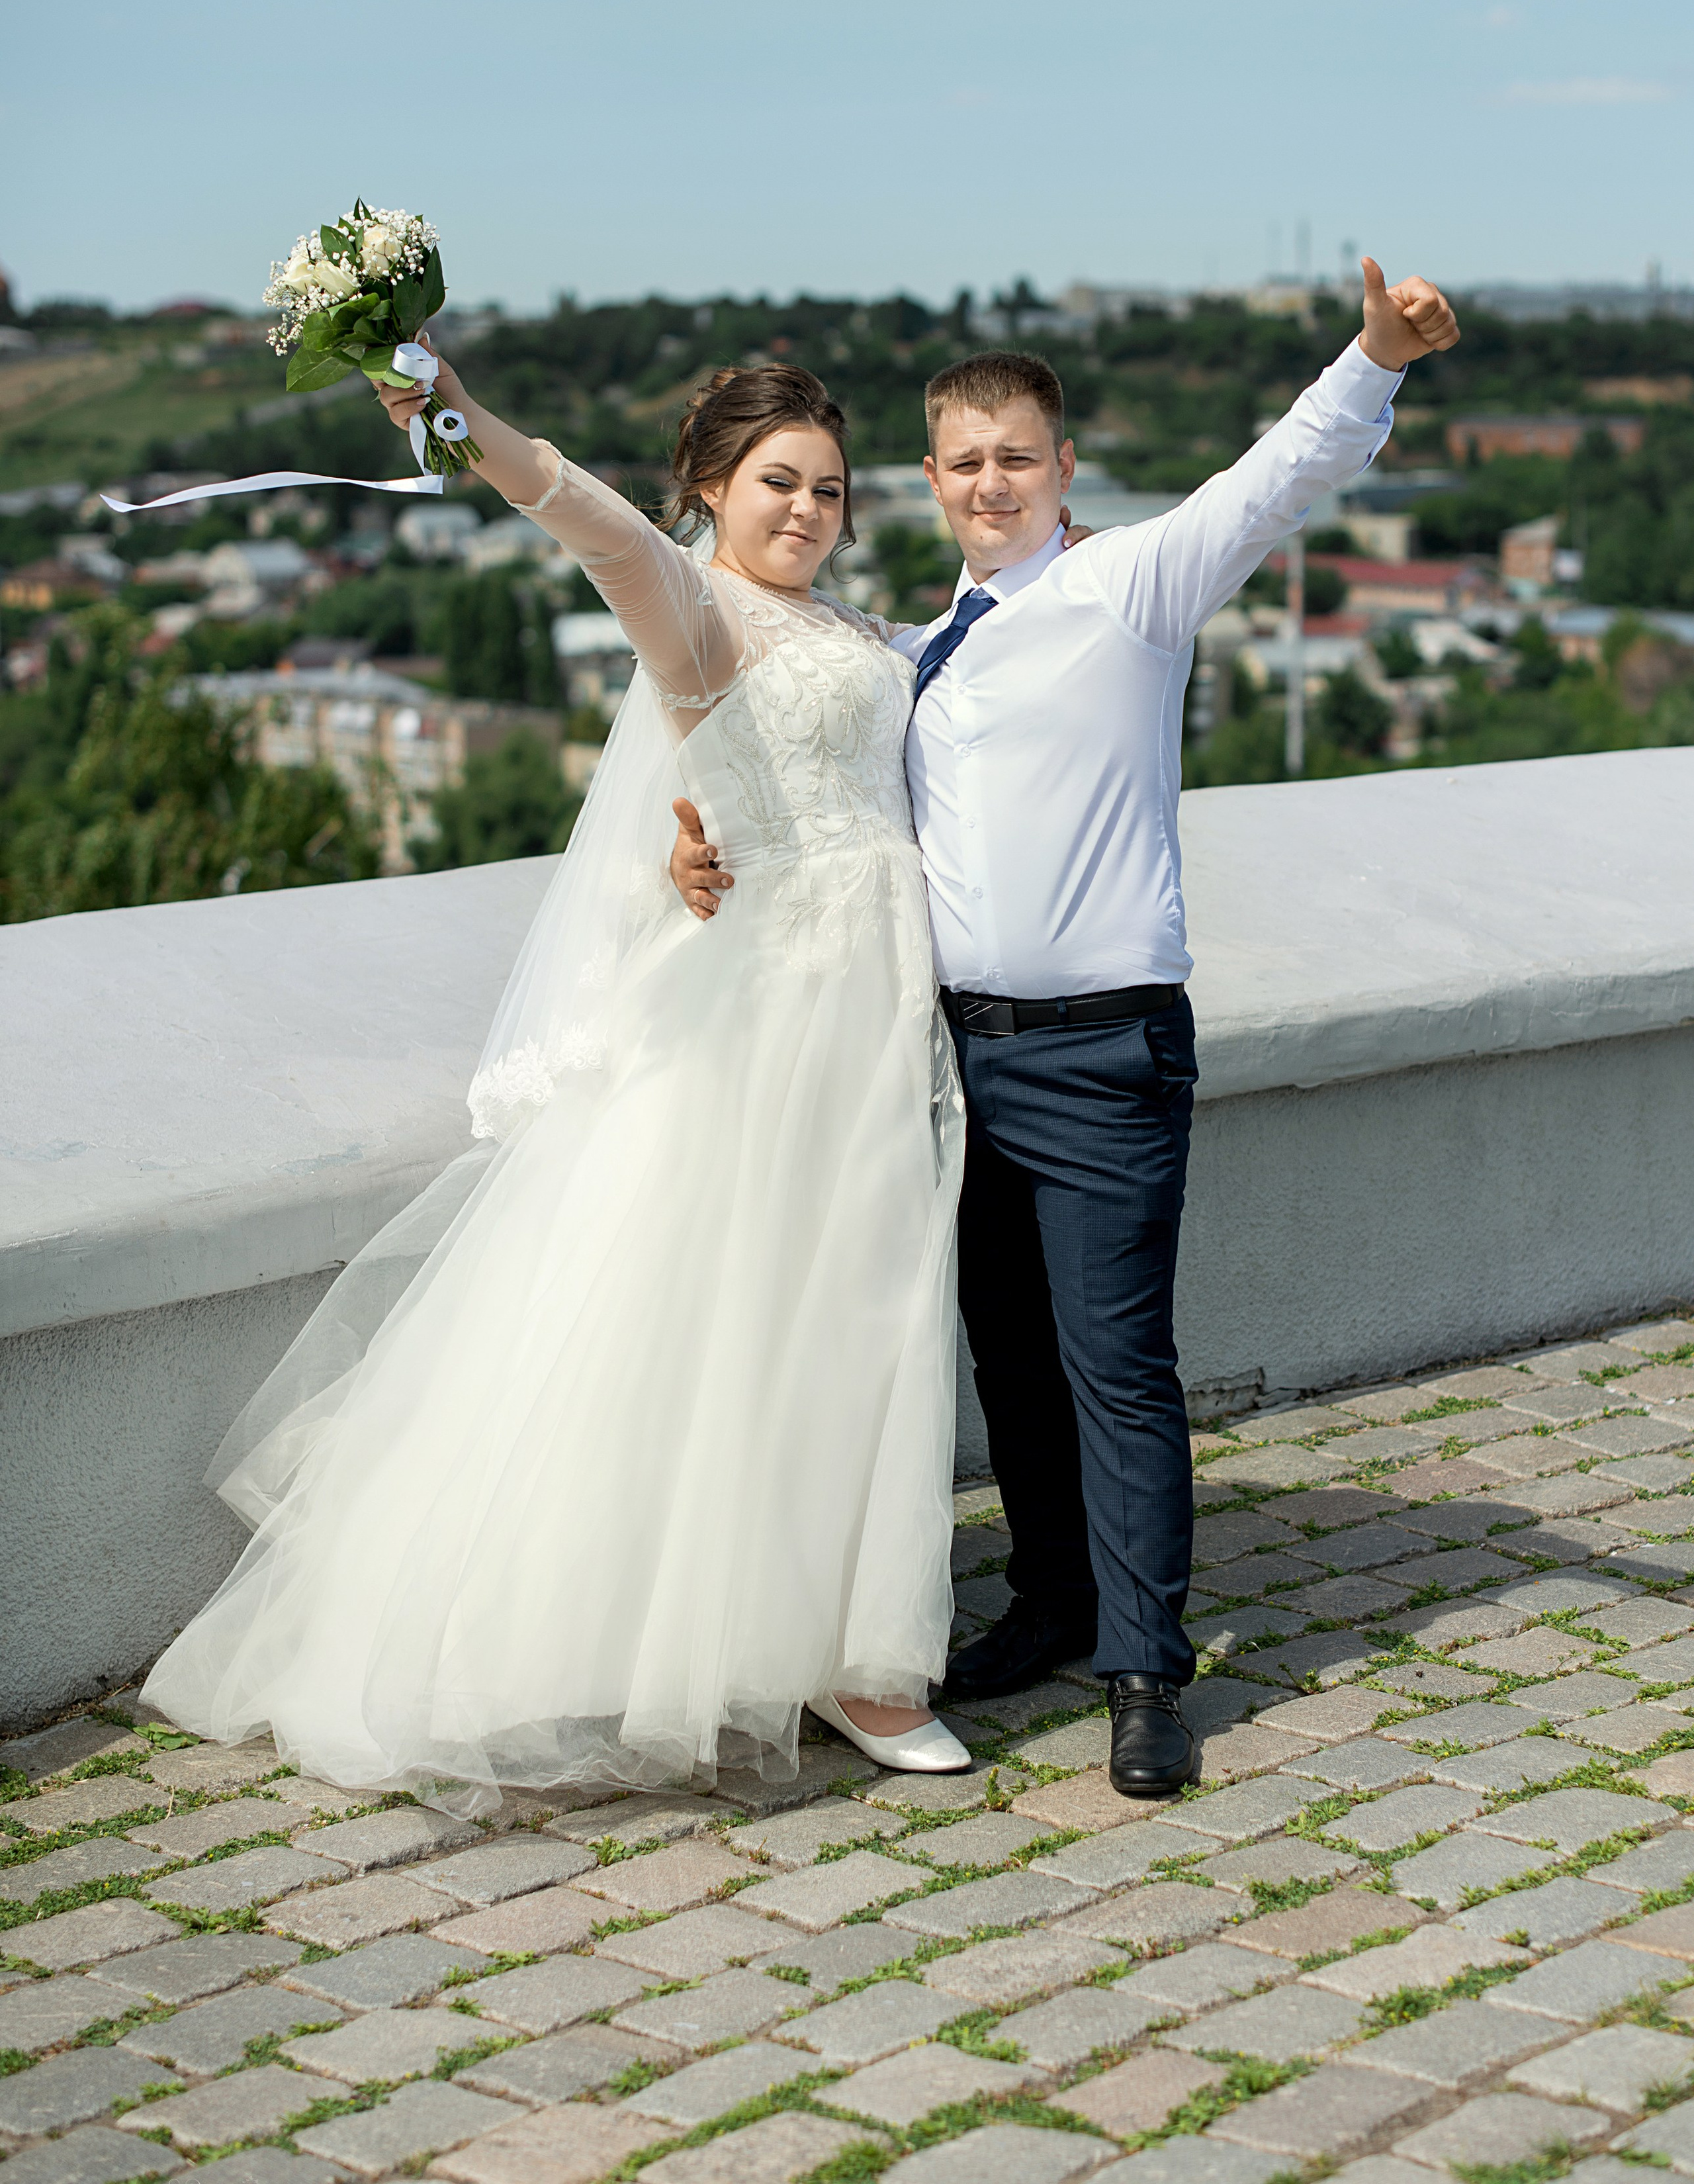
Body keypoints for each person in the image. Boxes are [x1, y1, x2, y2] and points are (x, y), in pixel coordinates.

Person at [670, 259, 1460, 1796]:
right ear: (929, 477)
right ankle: (1050, 1601)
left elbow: (1272, 478)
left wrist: (1370, 356)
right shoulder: (913, 649)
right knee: (1009, 1359)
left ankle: (1147, 1670)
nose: (988, 480)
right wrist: (684, 852)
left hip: (1103, 1051)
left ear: (1060, 467)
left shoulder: (1126, 586)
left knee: (1114, 1366)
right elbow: (806, 798)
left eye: (1014, 455)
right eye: (961, 459)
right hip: (952, 1051)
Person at [142, 358, 976, 1801]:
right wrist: (462, 416)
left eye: (828, 485)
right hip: (765, 1020)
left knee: (863, 1314)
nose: (808, 506)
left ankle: (852, 1648)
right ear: (708, 487)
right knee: (735, 1318)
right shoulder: (695, 609)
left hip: (874, 1007)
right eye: (777, 478)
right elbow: (586, 522)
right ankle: (740, 1647)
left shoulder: (849, 622)